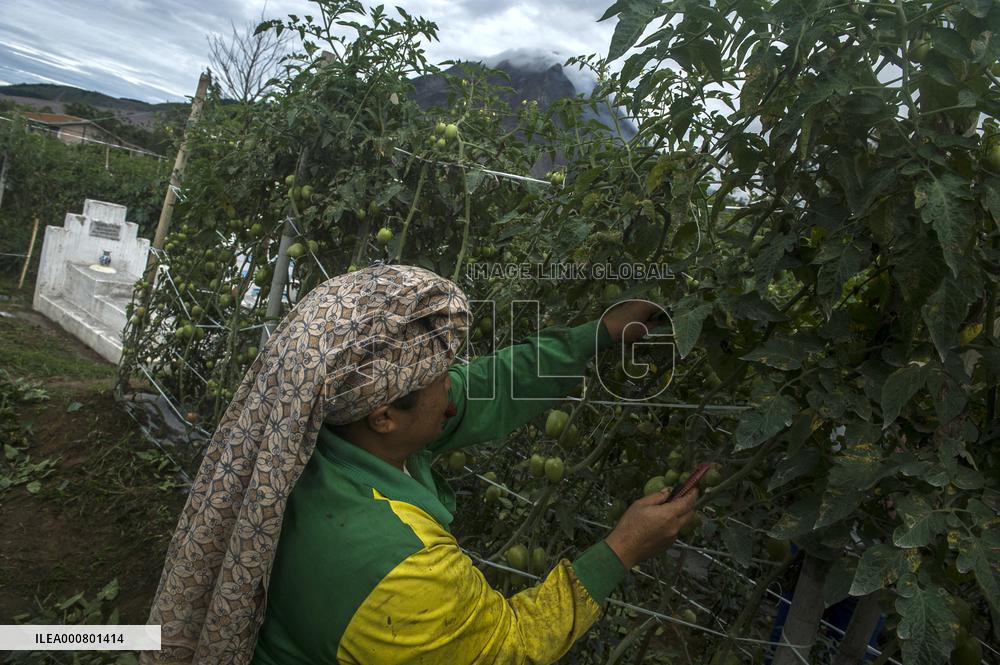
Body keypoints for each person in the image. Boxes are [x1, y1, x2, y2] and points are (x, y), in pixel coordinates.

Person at [141, 264, 697, 665]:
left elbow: (494, 383)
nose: (452, 390)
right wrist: (623, 549)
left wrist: (597, 335)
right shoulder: (403, 568)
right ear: (385, 414)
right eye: (439, 377)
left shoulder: (308, 434)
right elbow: (508, 646)